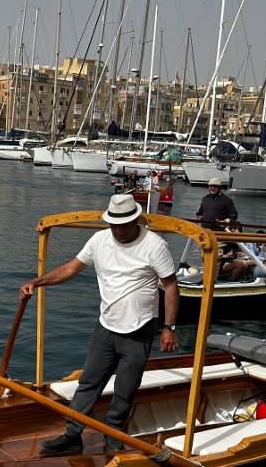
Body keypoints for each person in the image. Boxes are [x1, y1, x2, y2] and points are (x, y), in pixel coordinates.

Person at [19, 194, 179, 455]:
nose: (120, 230)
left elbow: (171, 285)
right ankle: (72, 435)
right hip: (106, 326)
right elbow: (70, 269)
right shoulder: (99, 240)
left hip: (139, 329)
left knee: (125, 387)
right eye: (115, 225)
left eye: (126, 224)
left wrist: (169, 328)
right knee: (89, 382)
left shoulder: (154, 245)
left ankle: (113, 436)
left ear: (136, 219)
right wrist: (36, 282)